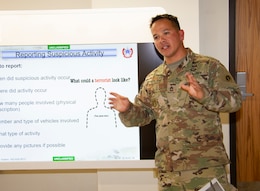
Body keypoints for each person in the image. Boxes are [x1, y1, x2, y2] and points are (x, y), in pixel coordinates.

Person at [109, 14, 242, 191]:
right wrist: (127, 109)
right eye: (156, 37)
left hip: (205, 169)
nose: (161, 40)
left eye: (166, 33)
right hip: (168, 172)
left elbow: (235, 102)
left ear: (180, 34)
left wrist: (205, 96)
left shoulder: (209, 66)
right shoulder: (153, 79)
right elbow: (142, 117)